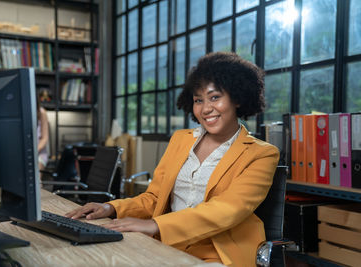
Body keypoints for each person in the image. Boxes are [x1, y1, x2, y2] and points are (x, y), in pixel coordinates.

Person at [66, 52, 279, 266]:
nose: (205, 109)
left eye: (215, 97)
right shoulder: (181, 140)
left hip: (218, 254)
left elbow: (227, 210)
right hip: (167, 245)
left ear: (238, 98)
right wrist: (111, 208)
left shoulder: (261, 154)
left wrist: (156, 225)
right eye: (198, 100)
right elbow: (154, 198)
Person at [36, 97, 49, 173]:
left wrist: (34, 151)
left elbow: (44, 138)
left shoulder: (42, 112)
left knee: (36, 177)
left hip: (39, 153)